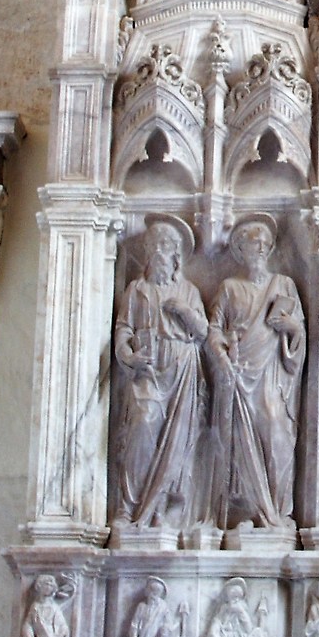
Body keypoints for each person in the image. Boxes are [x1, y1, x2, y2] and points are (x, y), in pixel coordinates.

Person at [203, 218, 306, 528]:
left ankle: (277, 510)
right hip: (239, 373)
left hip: (272, 374)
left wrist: (291, 328)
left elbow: (298, 328)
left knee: (276, 430)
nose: (259, 246)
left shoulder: (284, 285)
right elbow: (212, 330)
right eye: (252, 241)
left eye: (264, 242)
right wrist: (223, 351)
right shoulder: (230, 288)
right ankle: (248, 512)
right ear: (239, 249)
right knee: (238, 442)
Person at [111, 219, 207, 527]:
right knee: (143, 425)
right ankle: (130, 506)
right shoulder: (136, 290)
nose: (161, 252)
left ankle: (163, 507)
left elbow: (203, 331)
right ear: (147, 252)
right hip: (147, 370)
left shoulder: (188, 291)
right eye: (155, 245)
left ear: (177, 255)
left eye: (167, 246)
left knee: (177, 438)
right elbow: (124, 329)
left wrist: (184, 311)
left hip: (182, 368)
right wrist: (128, 354)